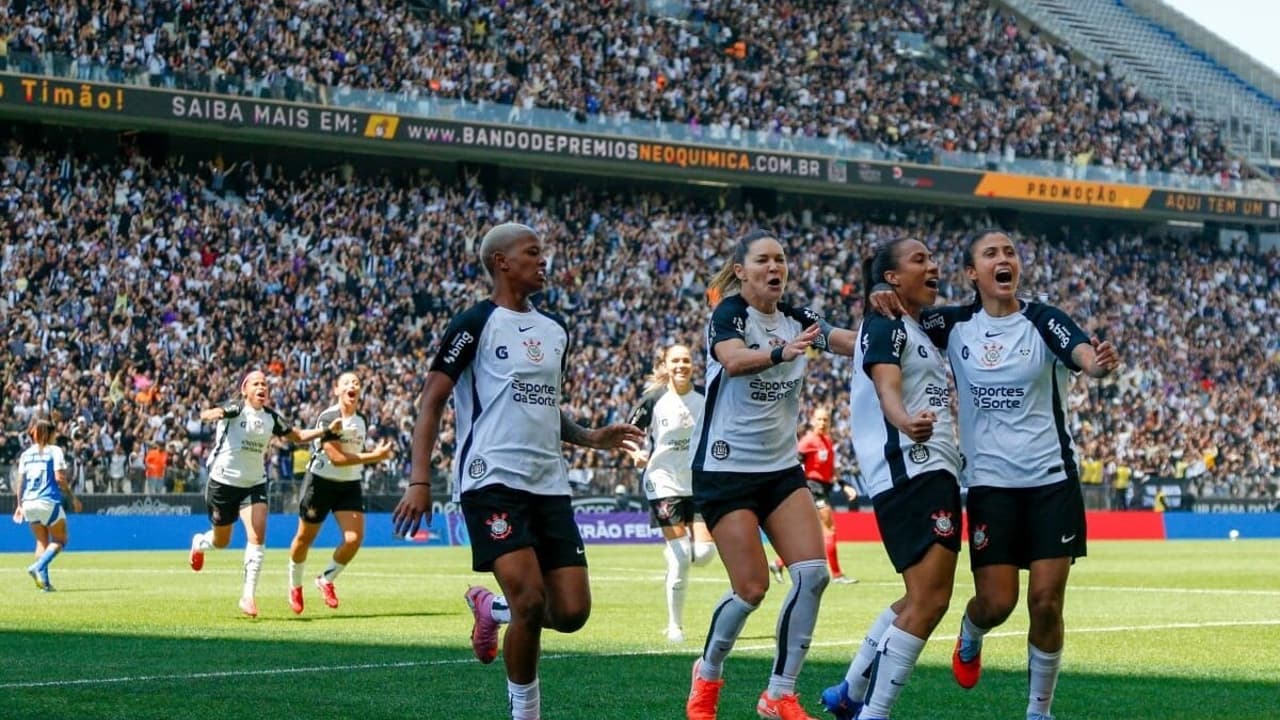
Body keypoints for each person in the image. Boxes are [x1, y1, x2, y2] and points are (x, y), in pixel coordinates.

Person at [391, 223, 643, 720]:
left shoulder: (555, 332)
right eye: (532, 252)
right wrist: (420, 479)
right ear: (502, 262)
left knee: (571, 613)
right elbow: (431, 402)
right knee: (530, 599)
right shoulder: (473, 324)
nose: (542, 260)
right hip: (491, 480)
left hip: (549, 482)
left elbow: (543, 406)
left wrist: (590, 437)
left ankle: (492, 610)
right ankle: (524, 713)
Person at [888, 229, 1119, 720]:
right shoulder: (952, 325)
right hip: (991, 487)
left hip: (1051, 481)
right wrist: (877, 293)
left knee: (1046, 602)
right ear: (973, 273)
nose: (1003, 259)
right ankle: (971, 635)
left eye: (1010, 251)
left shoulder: (1043, 319)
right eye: (990, 254)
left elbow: (1081, 354)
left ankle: (1039, 711)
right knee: (996, 604)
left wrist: (1097, 366)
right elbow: (896, 318)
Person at [685, 229, 860, 720]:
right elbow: (733, 359)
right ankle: (708, 672)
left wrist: (889, 329)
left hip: (780, 469)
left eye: (781, 259)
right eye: (763, 260)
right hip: (725, 469)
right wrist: (782, 353)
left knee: (812, 575)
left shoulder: (799, 317)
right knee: (752, 589)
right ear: (741, 270)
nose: (774, 267)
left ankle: (778, 693)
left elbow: (846, 340)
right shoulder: (730, 314)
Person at [820, 238, 963, 720]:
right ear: (893, 278)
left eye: (933, 257)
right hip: (912, 469)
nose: (934, 265)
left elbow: (845, 340)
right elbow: (885, 384)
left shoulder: (911, 325)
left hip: (928, 469)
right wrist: (903, 420)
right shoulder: (886, 322)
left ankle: (849, 691)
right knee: (931, 601)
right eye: (920, 260)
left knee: (918, 596)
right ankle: (872, 712)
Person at [188, 370, 343, 618]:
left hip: (254, 483)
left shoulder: (271, 418)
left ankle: (248, 596)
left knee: (257, 537)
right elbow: (211, 413)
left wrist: (326, 432)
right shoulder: (235, 409)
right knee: (221, 541)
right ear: (244, 389)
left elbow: (298, 436)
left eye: (265, 384)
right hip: (223, 482)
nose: (262, 387)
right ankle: (199, 543)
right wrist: (212, 413)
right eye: (256, 384)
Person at [622, 342, 716, 644]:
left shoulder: (705, 396)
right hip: (662, 481)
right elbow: (627, 432)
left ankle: (675, 551)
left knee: (703, 554)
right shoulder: (653, 399)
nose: (681, 366)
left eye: (686, 360)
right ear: (665, 364)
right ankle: (675, 626)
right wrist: (635, 452)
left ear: (693, 365)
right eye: (675, 361)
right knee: (680, 556)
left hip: (697, 484)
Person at [286, 371, 395, 615]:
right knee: (304, 539)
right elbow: (336, 459)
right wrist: (375, 457)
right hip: (321, 483)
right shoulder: (328, 418)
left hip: (349, 485)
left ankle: (326, 580)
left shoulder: (362, 420)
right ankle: (294, 586)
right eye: (346, 382)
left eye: (356, 382)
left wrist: (371, 457)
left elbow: (353, 455)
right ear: (337, 390)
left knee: (353, 540)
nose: (352, 385)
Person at [772, 406, 858, 586]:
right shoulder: (808, 441)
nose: (823, 423)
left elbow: (831, 470)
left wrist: (844, 486)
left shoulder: (826, 441)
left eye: (826, 419)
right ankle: (837, 574)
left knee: (806, 534)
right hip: (813, 488)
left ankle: (778, 563)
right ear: (812, 421)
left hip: (823, 488)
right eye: (819, 419)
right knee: (829, 529)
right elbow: (794, 461)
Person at [11, 418, 82, 591]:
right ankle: (38, 566)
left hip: (28, 502)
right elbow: (59, 478)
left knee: (41, 542)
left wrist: (19, 505)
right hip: (47, 501)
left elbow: (20, 482)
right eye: (54, 434)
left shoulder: (26, 454)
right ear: (49, 434)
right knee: (61, 539)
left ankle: (45, 584)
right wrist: (73, 497)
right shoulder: (55, 451)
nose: (56, 437)